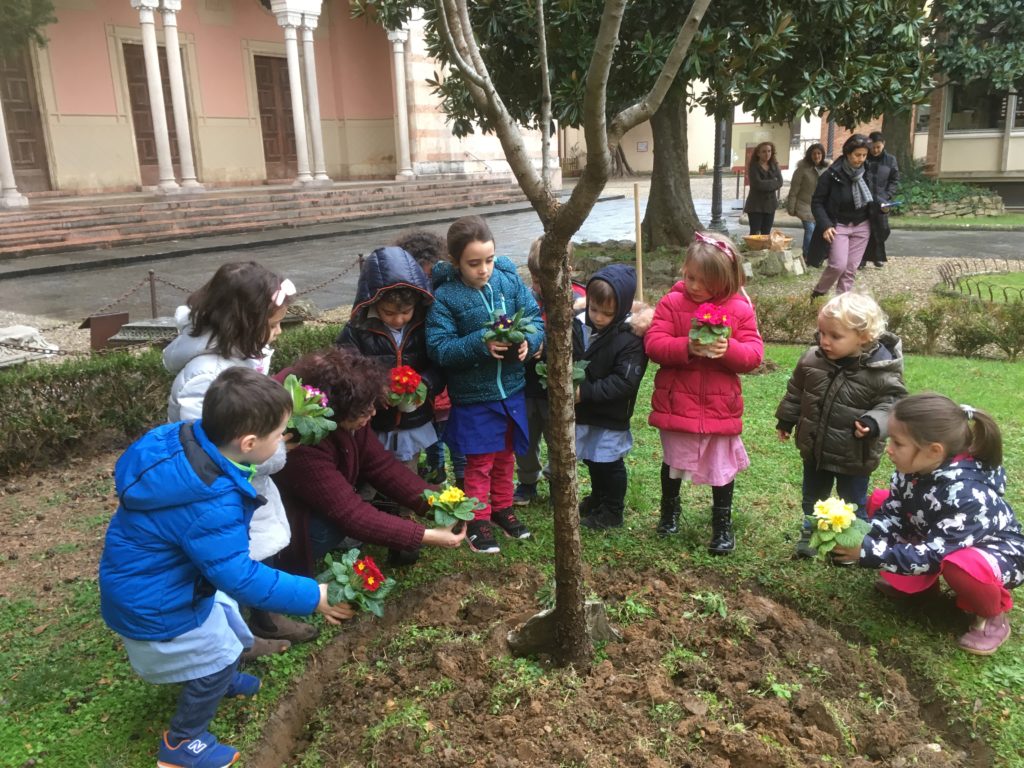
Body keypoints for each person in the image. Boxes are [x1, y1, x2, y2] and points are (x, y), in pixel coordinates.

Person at [99, 367, 355, 768]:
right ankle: (183, 742)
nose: (284, 440)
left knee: (226, 620)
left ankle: (223, 677)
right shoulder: (209, 501)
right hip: (158, 602)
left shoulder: (188, 441)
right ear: (249, 442)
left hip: (161, 581)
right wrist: (313, 595)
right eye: (279, 435)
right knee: (215, 653)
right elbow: (238, 575)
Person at [162, 261, 313, 655]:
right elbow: (213, 451)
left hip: (248, 481)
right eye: (274, 322)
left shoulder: (234, 357)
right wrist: (275, 449)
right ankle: (239, 636)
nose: (278, 331)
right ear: (244, 322)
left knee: (259, 547)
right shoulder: (204, 376)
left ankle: (265, 616)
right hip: (220, 488)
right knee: (229, 559)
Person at [832, 394, 1024, 656]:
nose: (889, 448)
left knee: (959, 566)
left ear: (935, 450)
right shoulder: (911, 470)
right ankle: (921, 588)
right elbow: (894, 513)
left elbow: (935, 554)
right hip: (939, 537)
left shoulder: (966, 494)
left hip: (992, 555)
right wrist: (861, 534)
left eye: (898, 443)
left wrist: (867, 552)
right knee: (879, 500)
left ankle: (992, 616)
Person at [273, 347, 466, 577]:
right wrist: (425, 535)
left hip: (310, 497)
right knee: (330, 528)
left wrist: (439, 504)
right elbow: (350, 513)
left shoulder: (344, 406)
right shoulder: (301, 442)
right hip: (280, 520)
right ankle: (281, 563)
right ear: (334, 414)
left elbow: (381, 465)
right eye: (365, 411)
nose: (372, 414)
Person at [426, 215, 545, 554]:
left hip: (512, 390)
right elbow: (440, 347)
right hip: (475, 397)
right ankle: (478, 519)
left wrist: (531, 341)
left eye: (489, 260)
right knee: (480, 462)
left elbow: (534, 317)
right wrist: (481, 342)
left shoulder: (508, 282)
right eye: (473, 263)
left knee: (506, 456)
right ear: (455, 261)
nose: (484, 269)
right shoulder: (446, 297)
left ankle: (503, 509)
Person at [645, 231, 764, 554]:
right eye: (690, 277)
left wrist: (728, 349)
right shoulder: (672, 302)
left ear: (725, 280)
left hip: (719, 406)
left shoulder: (739, 308)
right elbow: (654, 343)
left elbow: (754, 354)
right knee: (673, 462)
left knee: (721, 466)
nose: (694, 286)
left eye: (704, 281)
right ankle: (670, 512)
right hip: (677, 402)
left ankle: (722, 525)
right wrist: (685, 345)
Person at [775, 293, 907, 558]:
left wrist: (873, 422)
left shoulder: (881, 370)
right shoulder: (812, 359)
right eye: (822, 333)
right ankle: (811, 533)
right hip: (816, 448)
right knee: (813, 497)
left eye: (835, 336)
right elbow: (796, 391)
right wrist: (787, 419)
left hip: (855, 453)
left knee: (852, 502)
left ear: (864, 336)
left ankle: (849, 547)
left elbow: (892, 405)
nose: (824, 341)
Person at [336, 246, 442, 475]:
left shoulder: (424, 326)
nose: (398, 319)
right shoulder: (357, 330)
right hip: (375, 418)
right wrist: (374, 389)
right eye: (389, 312)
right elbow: (346, 368)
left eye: (406, 311)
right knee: (372, 468)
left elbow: (439, 364)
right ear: (373, 303)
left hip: (414, 415)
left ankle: (404, 509)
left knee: (408, 466)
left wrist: (424, 384)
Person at [575, 264, 651, 530]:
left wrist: (584, 392)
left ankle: (612, 510)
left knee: (609, 461)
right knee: (592, 458)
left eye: (607, 313)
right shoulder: (580, 325)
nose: (597, 317)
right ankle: (598, 497)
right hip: (585, 410)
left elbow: (624, 382)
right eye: (594, 309)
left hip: (611, 414)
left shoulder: (630, 338)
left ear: (621, 310)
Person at [514, 236, 587, 506]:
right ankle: (527, 480)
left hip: (559, 386)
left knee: (561, 437)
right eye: (533, 278)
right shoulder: (523, 299)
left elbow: (581, 347)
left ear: (566, 271)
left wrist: (546, 348)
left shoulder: (579, 301)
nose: (537, 286)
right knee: (526, 437)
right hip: (525, 386)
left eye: (543, 278)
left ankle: (557, 477)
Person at [393, 228, 463, 485]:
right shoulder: (411, 309)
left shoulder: (447, 298)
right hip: (424, 398)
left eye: (431, 276)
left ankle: (464, 483)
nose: (426, 284)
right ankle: (435, 477)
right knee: (432, 441)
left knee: (457, 442)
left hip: (450, 390)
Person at [807, 134, 874, 297]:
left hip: (862, 225)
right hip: (838, 225)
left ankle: (841, 303)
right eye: (857, 155)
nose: (861, 159)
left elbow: (876, 196)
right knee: (838, 265)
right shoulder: (831, 175)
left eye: (864, 155)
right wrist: (825, 225)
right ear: (847, 153)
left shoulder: (868, 172)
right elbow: (817, 203)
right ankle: (818, 293)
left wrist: (883, 207)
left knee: (851, 268)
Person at [860, 130, 900, 269]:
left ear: (883, 144)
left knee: (882, 229)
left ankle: (876, 255)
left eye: (878, 147)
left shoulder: (890, 160)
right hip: (865, 200)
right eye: (873, 147)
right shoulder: (864, 158)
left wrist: (888, 195)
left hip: (882, 201)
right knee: (865, 230)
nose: (875, 150)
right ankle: (863, 258)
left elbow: (894, 180)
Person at [786, 143, 829, 258]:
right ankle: (807, 254)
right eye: (814, 153)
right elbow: (794, 190)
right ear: (809, 155)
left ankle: (819, 254)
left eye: (819, 153)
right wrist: (791, 207)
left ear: (823, 155)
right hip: (804, 205)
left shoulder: (827, 170)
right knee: (810, 229)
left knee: (820, 230)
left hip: (821, 206)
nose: (816, 156)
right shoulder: (802, 170)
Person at [743, 141, 784, 235]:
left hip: (770, 205)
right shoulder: (754, 167)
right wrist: (773, 182)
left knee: (766, 233)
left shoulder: (775, 166)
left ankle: (764, 250)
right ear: (758, 153)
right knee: (755, 234)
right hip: (756, 206)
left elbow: (780, 182)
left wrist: (768, 184)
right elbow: (758, 184)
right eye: (764, 151)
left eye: (769, 151)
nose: (767, 154)